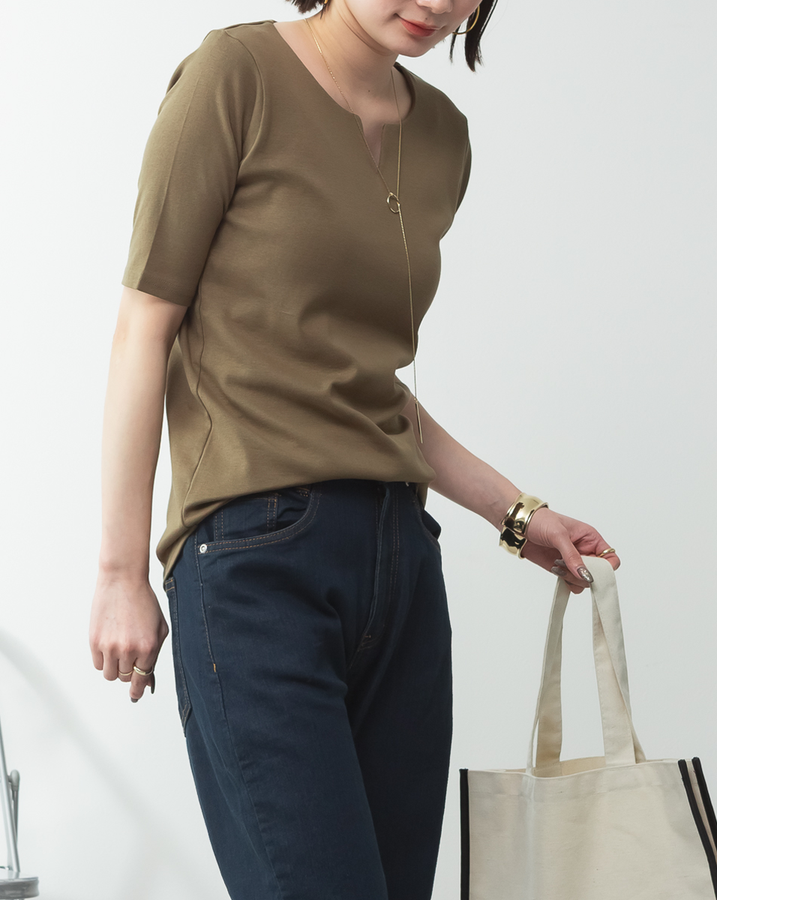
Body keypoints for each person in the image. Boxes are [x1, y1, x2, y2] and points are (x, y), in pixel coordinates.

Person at [89, 2, 620, 898]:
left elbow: (361, 386)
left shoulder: (443, 136)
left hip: (400, 565)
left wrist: (517, 513)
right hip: (255, 565)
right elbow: (145, 325)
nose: (436, 3)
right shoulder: (235, 77)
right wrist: (118, 571)